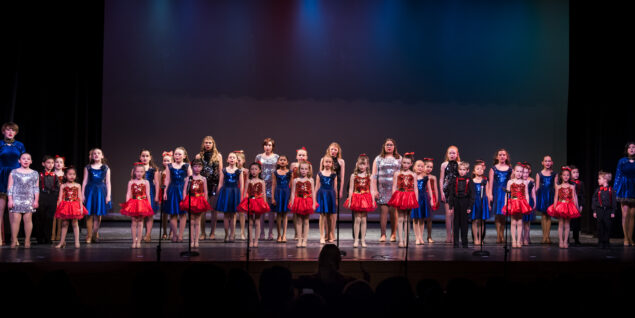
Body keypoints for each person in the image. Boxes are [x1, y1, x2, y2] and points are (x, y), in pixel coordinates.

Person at [0, 122, 25, 246]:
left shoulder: (20, 145)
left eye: (13, 130)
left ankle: (14, 238)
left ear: (15, 132)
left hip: (15, 176)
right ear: (3, 131)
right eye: (8, 130)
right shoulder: (0, 144)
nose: (10, 132)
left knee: (13, 210)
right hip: (1, 176)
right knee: (0, 209)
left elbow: (24, 160)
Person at [372, 138, 401, 242]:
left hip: (395, 189)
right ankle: (383, 234)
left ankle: (393, 234)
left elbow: (402, 174)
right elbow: (374, 175)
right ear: (384, 147)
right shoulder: (378, 159)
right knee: (383, 212)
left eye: (391, 145)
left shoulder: (399, 158)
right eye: (387, 145)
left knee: (394, 213)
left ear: (394, 147)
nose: (389, 146)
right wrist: (375, 190)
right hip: (382, 189)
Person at [7, 152, 38, 248]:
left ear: (31, 161)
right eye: (23, 158)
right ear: (19, 161)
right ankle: (14, 240)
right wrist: (10, 200)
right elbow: (10, 187)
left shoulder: (34, 173)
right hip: (16, 199)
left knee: (28, 220)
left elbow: (36, 188)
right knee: (15, 220)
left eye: (28, 159)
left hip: (28, 199)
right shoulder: (14, 172)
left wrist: (36, 200)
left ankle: (27, 241)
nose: (26, 160)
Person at [344, 154, 376, 248]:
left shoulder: (370, 176)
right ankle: (356, 240)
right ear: (357, 164)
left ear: (367, 165)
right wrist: (349, 199)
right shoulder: (353, 176)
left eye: (364, 164)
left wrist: (373, 200)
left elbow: (372, 189)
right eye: (360, 164)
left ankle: (363, 240)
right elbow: (350, 189)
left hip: (366, 198)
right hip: (357, 197)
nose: (362, 166)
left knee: (364, 219)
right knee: (357, 219)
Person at [387, 152, 419, 248]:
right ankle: (400, 240)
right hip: (400, 196)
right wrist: (394, 198)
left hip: (409, 196)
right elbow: (394, 187)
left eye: (407, 163)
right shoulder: (397, 173)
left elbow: (416, 188)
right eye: (404, 162)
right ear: (401, 163)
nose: (405, 165)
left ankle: (406, 240)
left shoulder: (413, 174)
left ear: (411, 164)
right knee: (400, 218)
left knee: (407, 219)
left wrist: (416, 200)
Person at [120, 163, 154, 248]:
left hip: (142, 203)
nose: (139, 173)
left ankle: (138, 241)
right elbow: (128, 193)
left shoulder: (146, 182)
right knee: (134, 222)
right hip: (133, 203)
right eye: (137, 171)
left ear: (144, 173)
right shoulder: (131, 182)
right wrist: (128, 203)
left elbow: (148, 194)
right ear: (134, 172)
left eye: (141, 172)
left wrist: (149, 205)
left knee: (140, 222)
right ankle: (133, 241)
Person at [195, 136, 222, 240]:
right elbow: (196, 170)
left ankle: (212, 232)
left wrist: (219, 185)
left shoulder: (218, 156)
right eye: (206, 142)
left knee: (213, 210)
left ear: (213, 144)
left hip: (214, 184)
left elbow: (220, 172)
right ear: (203, 144)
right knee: (202, 210)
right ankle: (202, 233)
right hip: (202, 185)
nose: (208, 144)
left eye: (210, 143)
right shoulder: (199, 156)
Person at [179, 159, 211, 248]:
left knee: (197, 221)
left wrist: (204, 201)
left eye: (199, 166)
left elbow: (206, 191)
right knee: (191, 221)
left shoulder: (203, 179)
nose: (197, 168)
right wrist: (185, 199)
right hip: (191, 200)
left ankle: (196, 240)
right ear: (192, 167)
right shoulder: (189, 178)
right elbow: (185, 190)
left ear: (202, 168)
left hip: (199, 200)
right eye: (195, 166)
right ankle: (191, 240)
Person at [163, 147, 192, 242]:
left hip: (183, 190)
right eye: (176, 154)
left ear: (184, 156)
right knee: (173, 213)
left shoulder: (187, 166)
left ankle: (180, 235)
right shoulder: (170, 166)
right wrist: (165, 191)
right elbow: (167, 179)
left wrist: (187, 191)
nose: (177, 156)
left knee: (182, 214)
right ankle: (174, 234)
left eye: (179, 154)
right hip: (173, 190)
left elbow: (190, 179)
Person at [237, 162, 270, 247]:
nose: (254, 171)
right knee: (250, 222)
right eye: (252, 169)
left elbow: (264, 194)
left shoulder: (262, 181)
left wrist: (265, 204)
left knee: (257, 222)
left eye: (256, 169)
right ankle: (250, 240)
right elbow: (245, 192)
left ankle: (256, 241)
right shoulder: (248, 181)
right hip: (250, 202)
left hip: (258, 202)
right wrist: (243, 204)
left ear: (259, 171)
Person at [82, 148, 111, 243]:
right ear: (92, 156)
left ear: (102, 156)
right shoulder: (88, 167)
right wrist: (82, 194)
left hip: (100, 191)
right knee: (89, 214)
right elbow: (85, 181)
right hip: (90, 191)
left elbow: (108, 182)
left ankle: (95, 233)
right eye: (94, 153)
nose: (96, 155)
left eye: (98, 153)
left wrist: (108, 196)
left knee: (98, 215)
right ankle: (89, 235)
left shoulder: (105, 168)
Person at [54, 167, 88, 248]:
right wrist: (58, 207)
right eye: (69, 174)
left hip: (75, 206)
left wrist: (80, 208)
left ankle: (77, 242)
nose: (72, 176)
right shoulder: (63, 185)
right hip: (65, 206)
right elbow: (60, 197)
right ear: (65, 175)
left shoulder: (78, 185)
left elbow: (79, 197)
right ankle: (62, 242)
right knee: (64, 223)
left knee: (75, 223)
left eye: (73, 174)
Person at [547, 167, 580, 249]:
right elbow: (556, 198)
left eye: (568, 175)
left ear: (570, 176)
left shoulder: (572, 187)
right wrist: (554, 208)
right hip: (560, 205)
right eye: (564, 175)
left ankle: (565, 241)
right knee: (561, 224)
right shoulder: (558, 186)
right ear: (561, 176)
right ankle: (561, 241)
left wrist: (576, 207)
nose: (566, 177)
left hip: (569, 205)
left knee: (567, 224)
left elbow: (574, 197)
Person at [215, 151, 243, 242]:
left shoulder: (239, 171)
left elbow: (241, 185)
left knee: (233, 215)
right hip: (226, 192)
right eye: (230, 157)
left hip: (235, 193)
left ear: (236, 160)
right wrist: (218, 194)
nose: (231, 159)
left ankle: (232, 234)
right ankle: (226, 234)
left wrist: (241, 197)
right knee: (226, 215)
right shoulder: (223, 170)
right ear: (227, 159)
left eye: (233, 157)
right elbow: (220, 183)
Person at [502, 163, 533, 248]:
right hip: (513, 202)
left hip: (521, 203)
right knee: (513, 222)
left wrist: (527, 203)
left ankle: (519, 240)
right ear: (514, 171)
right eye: (517, 171)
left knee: (520, 222)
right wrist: (506, 204)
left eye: (521, 171)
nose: (519, 173)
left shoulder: (525, 182)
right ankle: (513, 241)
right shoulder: (510, 182)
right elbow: (507, 194)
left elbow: (526, 194)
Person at [255, 138, 279, 241]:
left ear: (272, 146)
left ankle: (270, 232)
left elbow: (278, 172)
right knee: (261, 210)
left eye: (269, 145)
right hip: (261, 185)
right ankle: (261, 232)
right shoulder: (258, 157)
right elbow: (255, 170)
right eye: (265, 145)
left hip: (272, 185)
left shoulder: (277, 157)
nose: (267, 147)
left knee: (271, 211)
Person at [289, 161, 317, 248]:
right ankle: (299, 239)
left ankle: (305, 240)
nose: (304, 171)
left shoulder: (311, 180)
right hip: (298, 201)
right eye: (302, 168)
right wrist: (292, 203)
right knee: (299, 221)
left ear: (308, 170)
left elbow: (313, 192)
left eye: (305, 169)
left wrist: (313, 203)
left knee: (306, 221)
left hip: (307, 201)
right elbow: (293, 192)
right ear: (299, 170)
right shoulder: (295, 180)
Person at [487, 149, 511, 244]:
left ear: (506, 157)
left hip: (505, 194)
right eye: (500, 155)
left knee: (503, 215)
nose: (502, 156)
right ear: (497, 157)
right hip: (496, 193)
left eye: (504, 155)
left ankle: (502, 234)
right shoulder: (493, 169)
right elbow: (491, 183)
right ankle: (498, 235)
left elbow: (511, 183)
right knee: (498, 214)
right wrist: (489, 194)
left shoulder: (510, 169)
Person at [448, 162, 475, 248]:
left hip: (465, 202)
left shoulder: (469, 180)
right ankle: (455, 243)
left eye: (464, 170)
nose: (462, 171)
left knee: (464, 224)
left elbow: (472, 194)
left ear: (467, 170)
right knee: (456, 224)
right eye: (460, 169)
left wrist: (470, 206)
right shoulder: (454, 180)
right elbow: (451, 193)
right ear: (458, 170)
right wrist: (450, 206)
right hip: (456, 201)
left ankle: (464, 243)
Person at [614, 141, 635, 246]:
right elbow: (618, 174)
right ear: (626, 150)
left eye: (633, 147)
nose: (632, 149)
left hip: (634, 188)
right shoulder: (622, 161)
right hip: (624, 188)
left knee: (632, 214)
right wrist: (615, 189)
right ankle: (625, 238)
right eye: (629, 147)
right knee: (625, 214)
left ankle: (631, 238)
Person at [440, 145, 461, 243]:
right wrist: (442, 192)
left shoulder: (460, 164)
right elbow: (441, 179)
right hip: (447, 190)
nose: (452, 155)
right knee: (448, 214)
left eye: (454, 153)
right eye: (450, 153)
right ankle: (448, 236)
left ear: (457, 154)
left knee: (456, 214)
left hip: (457, 190)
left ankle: (455, 235)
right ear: (447, 154)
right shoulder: (444, 165)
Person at [315, 155, 337, 244]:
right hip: (322, 195)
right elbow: (317, 187)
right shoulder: (319, 174)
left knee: (330, 216)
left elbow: (335, 189)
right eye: (326, 162)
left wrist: (336, 199)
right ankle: (322, 235)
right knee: (322, 216)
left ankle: (330, 233)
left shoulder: (333, 175)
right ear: (323, 163)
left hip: (330, 195)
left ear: (332, 164)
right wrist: (314, 199)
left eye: (329, 162)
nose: (328, 164)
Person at [592, 171, 616, 249]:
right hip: (599, 210)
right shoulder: (598, 190)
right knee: (600, 227)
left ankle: (606, 241)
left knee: (607, 226)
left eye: (600, 179)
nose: (598, 180)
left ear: (605, 180)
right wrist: (594, 211)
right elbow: (594, 201)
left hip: (608, 211)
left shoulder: (611, 190)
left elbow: (613, 202)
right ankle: (600, 241)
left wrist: (613, 211)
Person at [536, 155, 557, 244]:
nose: (547, 163)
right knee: (543, 216)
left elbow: (556, 187)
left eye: (549, 161)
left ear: (551, 163)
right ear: (542, 162)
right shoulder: (539, 174)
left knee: (549, 216)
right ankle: (544, 236)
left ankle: (548, 237)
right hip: (543, 195)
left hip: (551, 195)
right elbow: (537, 187)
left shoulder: (554, 174)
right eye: (546, 161)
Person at [271, 155, 291, 242]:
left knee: (285, 215)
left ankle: (284, 235)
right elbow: (273, 185)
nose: (282, 161)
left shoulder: (290, 173)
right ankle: (279, 235)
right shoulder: (275, 172)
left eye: (284, 160)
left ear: (287, 162)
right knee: (279, 215)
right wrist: (272, 198)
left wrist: (291, 198)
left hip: (286, 193)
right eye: (281, 160)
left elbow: (291, 185)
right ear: (278, 162)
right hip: (278, 193)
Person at [470, 160, 489, 247]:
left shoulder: (485, 181)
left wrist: (488, 204)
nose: (480, 170)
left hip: (483, 201)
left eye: (481, 169)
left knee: (481, 221)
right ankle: (476, 239)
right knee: (474, 220)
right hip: (474, 201)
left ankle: (481, 239)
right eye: (477, 169)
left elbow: (488, 193)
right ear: (474, 171)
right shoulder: (472, 181)